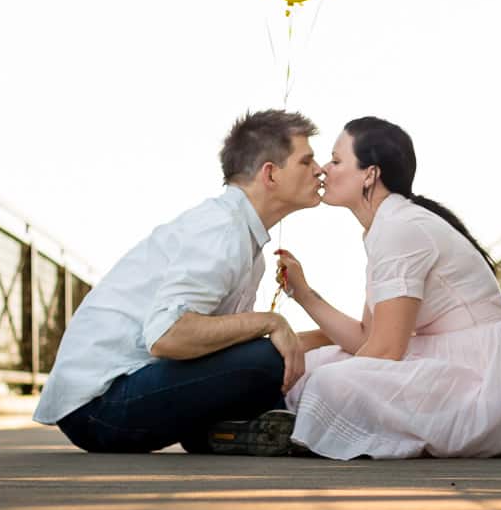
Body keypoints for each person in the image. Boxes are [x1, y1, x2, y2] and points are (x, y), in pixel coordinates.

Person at [33, 109, 322, 455]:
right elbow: (166, 335)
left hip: (120, 394)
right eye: (307, 162)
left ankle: (217, 432)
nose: (319, 170)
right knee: (265, 361)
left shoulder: (245, 242)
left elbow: (224, 346)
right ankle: (227, 427)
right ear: (270, 174)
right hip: (98, 407)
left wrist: (339, 336)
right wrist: (271, 321)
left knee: (269, 361)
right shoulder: (221, 230)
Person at [278, 116, 501, 459]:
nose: (322, 170)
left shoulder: (400, 228)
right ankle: (285, 425)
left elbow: (386, 350)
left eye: (335, 160)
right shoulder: (386, 226)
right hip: (447, 359)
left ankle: (295, 428)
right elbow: (367, 338)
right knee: (312, 365)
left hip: (481, 384)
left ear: (370, 174)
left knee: (326, 382)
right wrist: (304, 294)